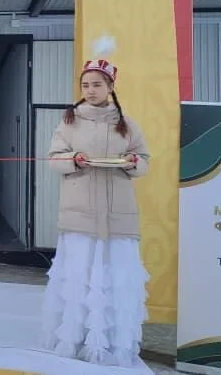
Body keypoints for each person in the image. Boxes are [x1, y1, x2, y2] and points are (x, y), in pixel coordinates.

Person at [41, 41, 151, 367]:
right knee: (79, 278)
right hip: (80, 214)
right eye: (86, 85)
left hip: (118, 215)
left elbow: (144, 160)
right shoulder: (69, 121)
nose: (90, 91)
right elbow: (54, 159)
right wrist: (73, 160)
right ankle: (73, 340)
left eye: (97, 85)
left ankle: (112, 345)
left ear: (111, 87)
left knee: (114, 279)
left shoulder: (128, 124)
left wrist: (133, 162)